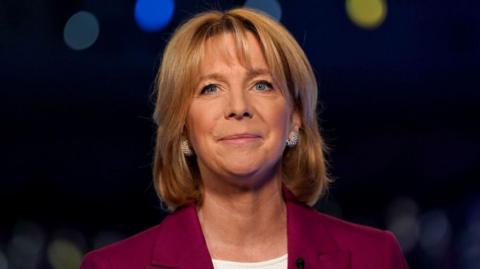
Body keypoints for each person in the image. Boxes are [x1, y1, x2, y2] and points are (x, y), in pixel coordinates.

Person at [80, 7, 409, 269]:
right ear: (182, 127)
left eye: (261, 85)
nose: (238, 107)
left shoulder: (375, 257)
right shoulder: (111, 266)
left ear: (295, 118)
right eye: (210, 88)